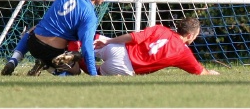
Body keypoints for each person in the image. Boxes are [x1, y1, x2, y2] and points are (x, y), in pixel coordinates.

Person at [23, 0, 111, 77]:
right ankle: (51, 68)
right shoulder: (90, 16)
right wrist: (93, 74)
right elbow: (87, 47)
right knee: (76, 69)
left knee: (33, 29)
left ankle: (15, 59)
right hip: (52, 52)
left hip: (33, 43)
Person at [83, 17, 220, 76]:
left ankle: (69, 45)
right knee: (95, 71)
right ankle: (76, 61)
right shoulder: (183, 52)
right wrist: (210, 73)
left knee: (90, 38)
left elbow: (134, 37)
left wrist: (109, 41)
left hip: (120, 49)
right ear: (190, 36)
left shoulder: (160, 29)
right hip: (125, 68)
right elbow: (199, 71)